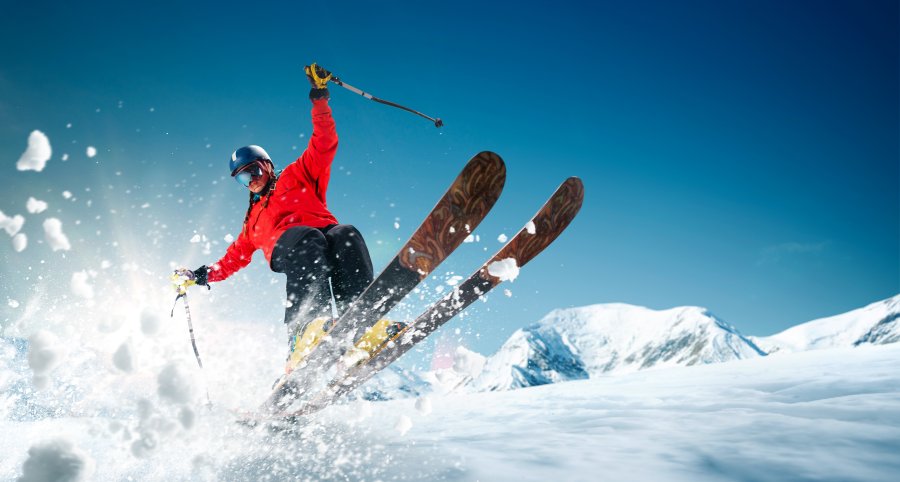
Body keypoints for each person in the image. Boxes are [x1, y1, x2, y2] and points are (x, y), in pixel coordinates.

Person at [190, 64, 374, 353]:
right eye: (242, 179)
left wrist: (319, 98)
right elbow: (232, 259)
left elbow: (324, 142)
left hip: (323, 233)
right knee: (308, 238)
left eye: (253, 171)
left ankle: (361, 322)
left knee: (346, 234)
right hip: (292, 247)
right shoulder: (253, 222)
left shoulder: (297, 174)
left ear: (267, 165)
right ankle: (304, 329)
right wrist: (201, 275)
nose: (251, 181)